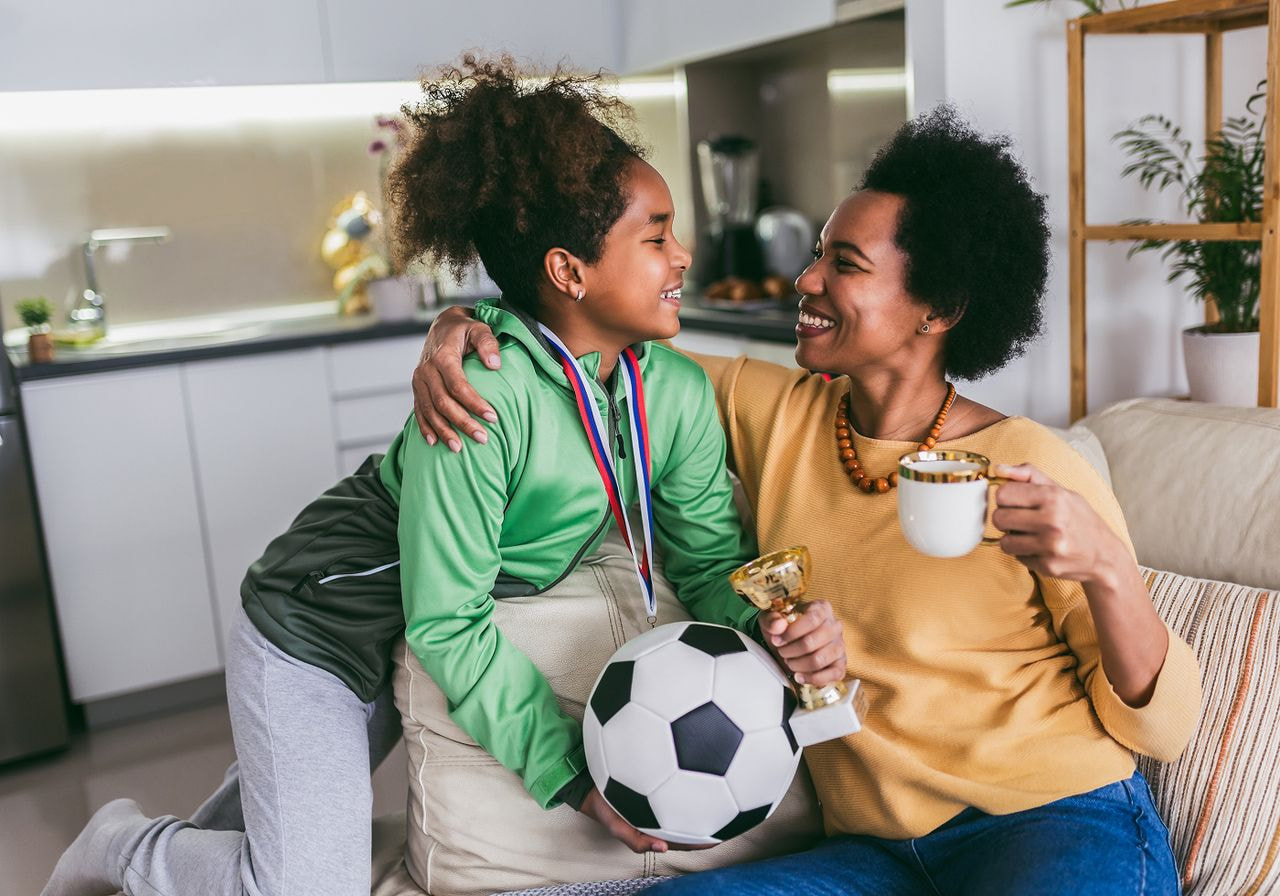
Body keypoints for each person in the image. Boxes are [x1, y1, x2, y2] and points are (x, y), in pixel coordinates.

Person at [42, 57, 847, 896]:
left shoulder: (670, 392)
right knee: (298, 888)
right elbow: (449, 623)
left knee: (274, 830)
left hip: (408, 632)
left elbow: (708, 558)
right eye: (655, 237)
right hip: (319, 630)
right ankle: (120, 847)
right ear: (569, 272)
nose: (682, 254)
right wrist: (569, 777)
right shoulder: (480, 394)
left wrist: (768, 622)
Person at [408, 105, 1203, 895]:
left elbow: (1161, 728)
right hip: (875, 855)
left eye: (844, 264)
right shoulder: (771, 410)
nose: (806, 279)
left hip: (1050, 820)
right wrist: (468, 326)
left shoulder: (1029, 461)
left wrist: (1106, 568)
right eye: (817, 253)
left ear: (938, 309)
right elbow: (584, 336)